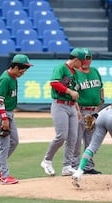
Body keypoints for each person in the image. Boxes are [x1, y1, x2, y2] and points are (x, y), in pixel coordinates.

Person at [0, 54, 33, 184]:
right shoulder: (5, 79)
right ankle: (4, 175)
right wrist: (4, 119)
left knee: (14, 141)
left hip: (8, 113)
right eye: (23, 69)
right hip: (0, 114)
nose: (24, 72)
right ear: (16, 67)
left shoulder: (13, 78)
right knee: (4, 145)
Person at [40, 48, 82, 176]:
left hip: (71, 107)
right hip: (59, 105)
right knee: (61, 136)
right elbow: (54, 83)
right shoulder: (61, 67)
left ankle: (67, 166)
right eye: (82, 61)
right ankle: (47, 160)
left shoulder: (74, 72)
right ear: (76, 60)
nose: (83, 64)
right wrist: (70, 92)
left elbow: (74, 93)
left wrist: (77, 108)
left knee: (73, 138)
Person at [73, 48, 104, 175]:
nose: (86, 61)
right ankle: (74, 166)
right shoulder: (74, 74)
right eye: (83, 59)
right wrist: (76, 110)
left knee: (91, 141)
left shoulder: (95, 71)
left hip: (94, 111)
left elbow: (101, 87)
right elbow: (73, 94)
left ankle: (88, 166)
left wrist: (101, 103)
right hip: (81, 110)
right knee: (76, 139)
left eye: (88, 58)